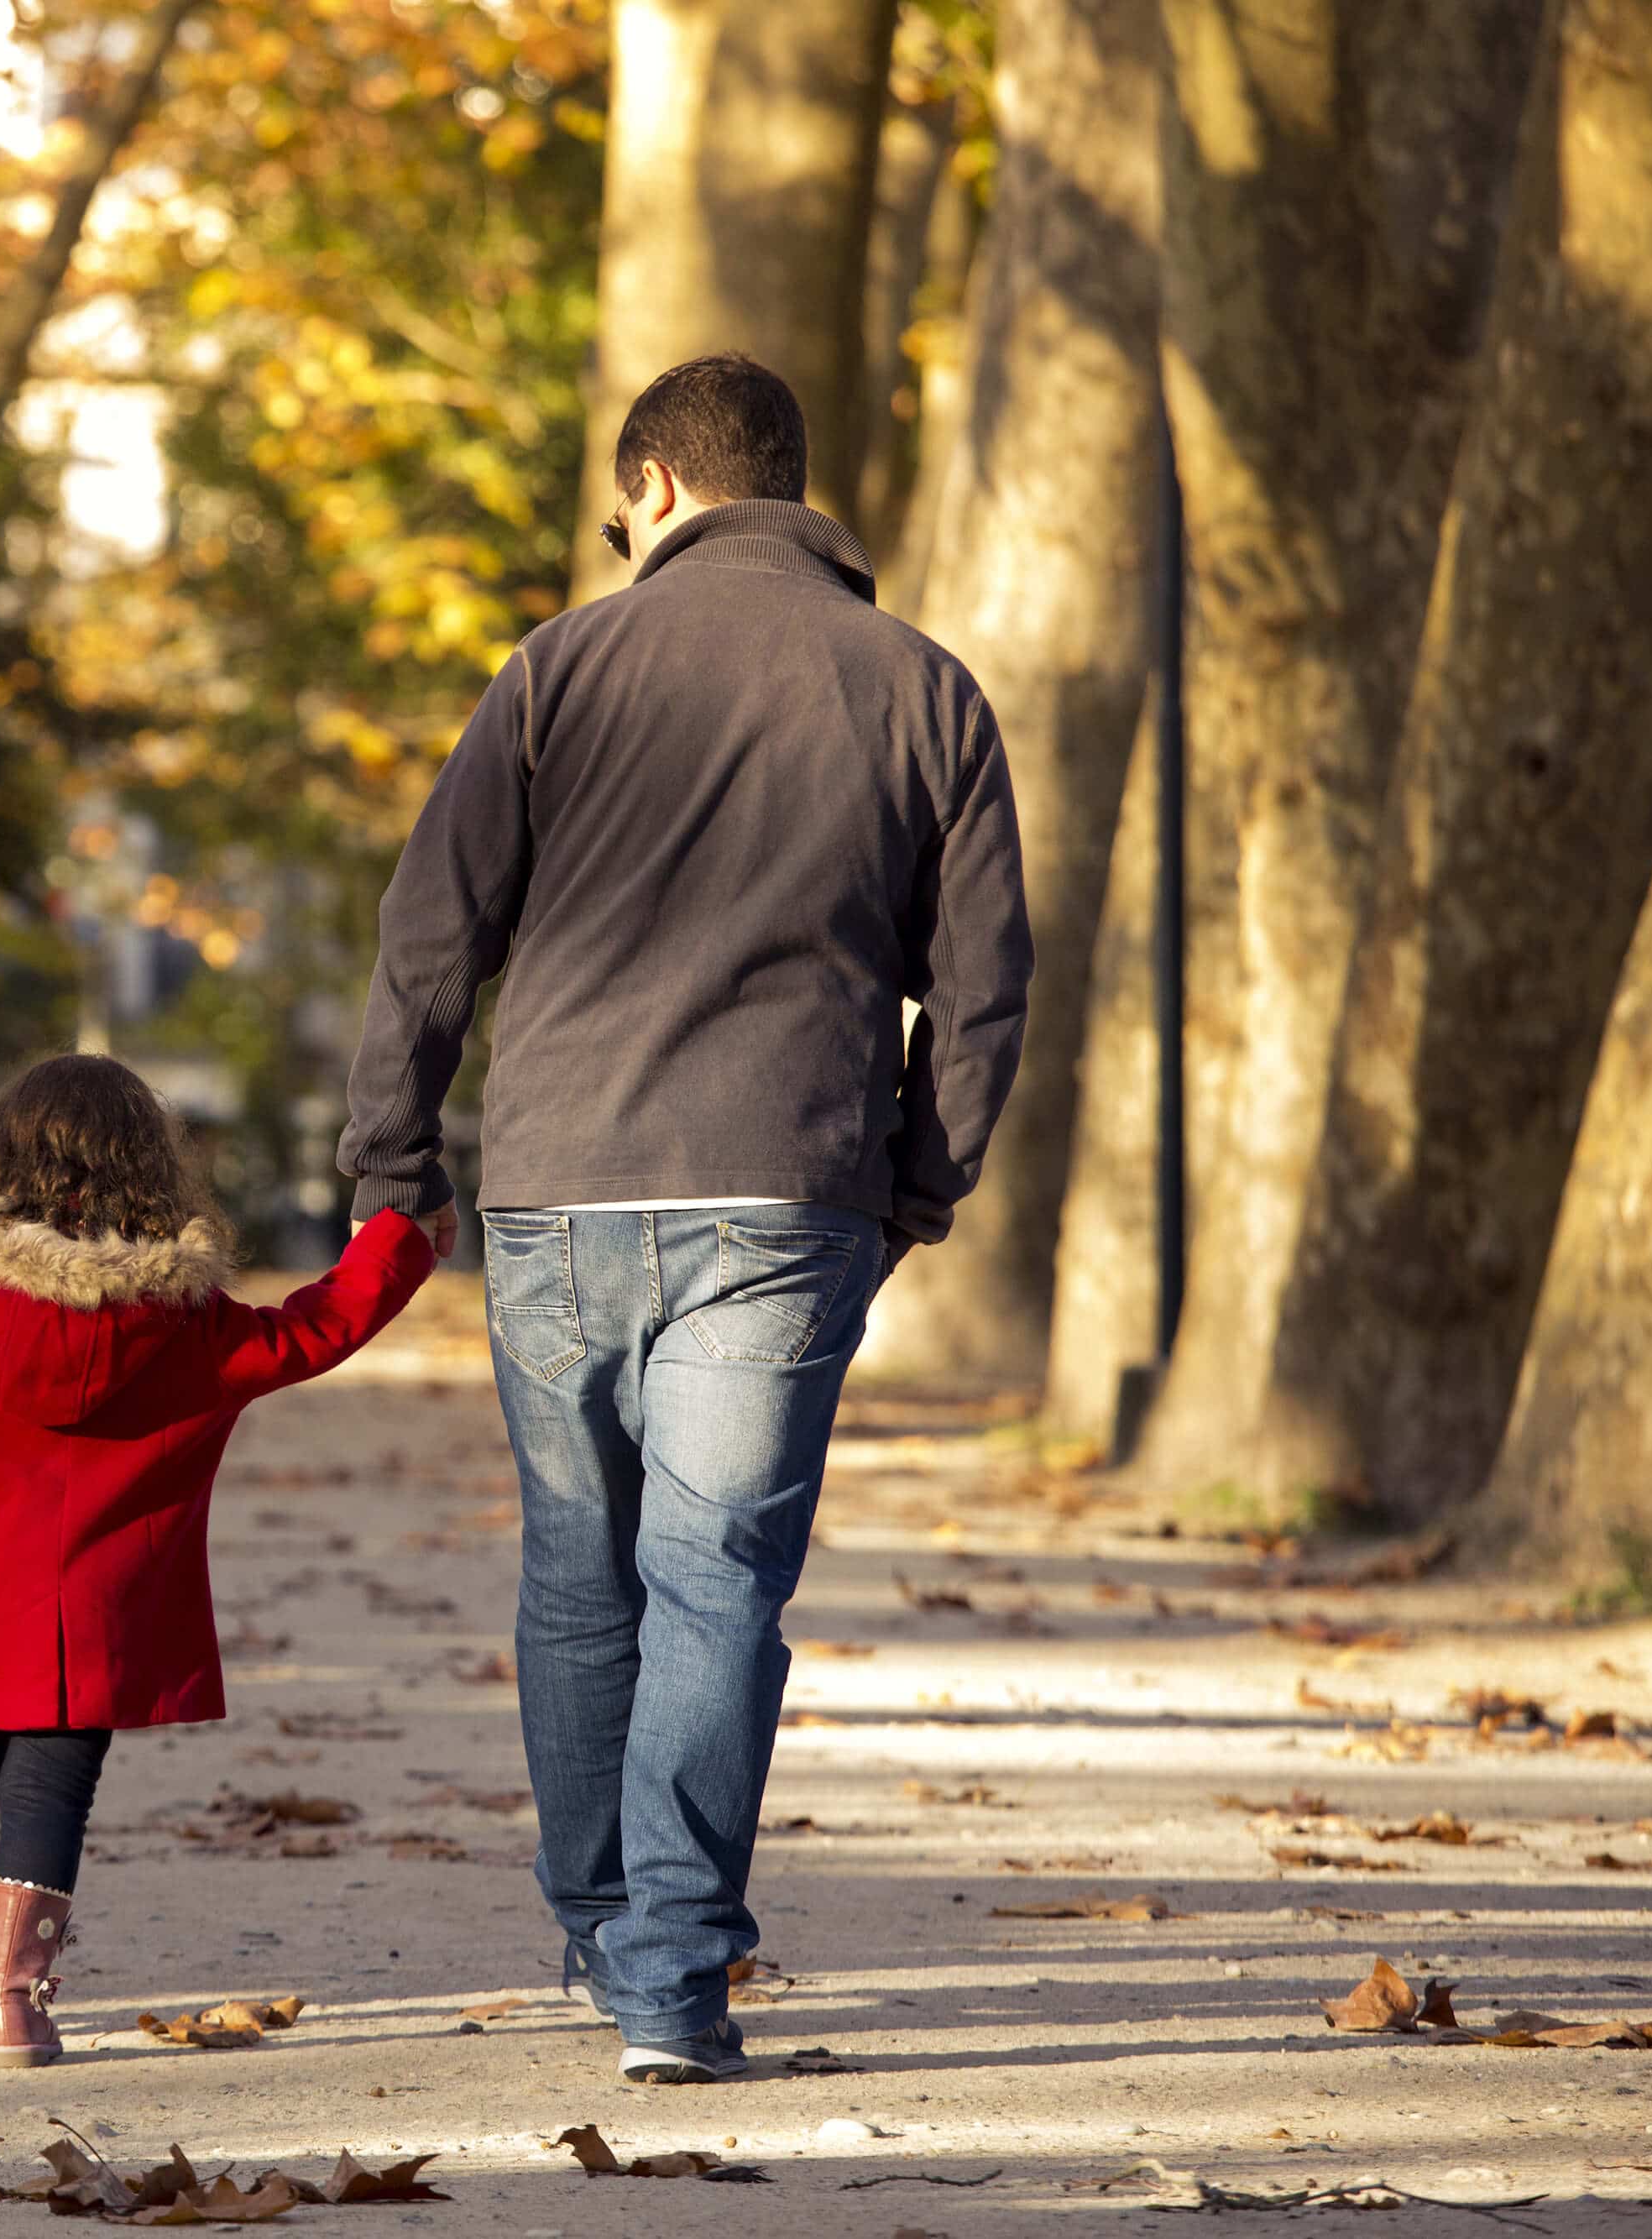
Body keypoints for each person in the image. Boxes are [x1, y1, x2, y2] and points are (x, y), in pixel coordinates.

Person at [337, 353, 1032, 2083]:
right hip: (780, 1182)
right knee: (714, 1581)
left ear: (651, 487)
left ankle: (594, 1927)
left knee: (577, 1576)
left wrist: (388, 1166)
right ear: (790, 490)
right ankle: (666, 1977)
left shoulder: (551, 673)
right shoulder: (922, 690)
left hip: (559, 1182)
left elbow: (430, 935)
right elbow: (985, 985)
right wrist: (914, 1180)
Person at [0, 1056, 435, 2066]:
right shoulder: (189, 1326)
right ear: (153, 1177)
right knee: (53, 1792)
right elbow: (317, 1328)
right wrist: (396, 1243)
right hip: (101, 1620)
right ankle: (9, 2004)